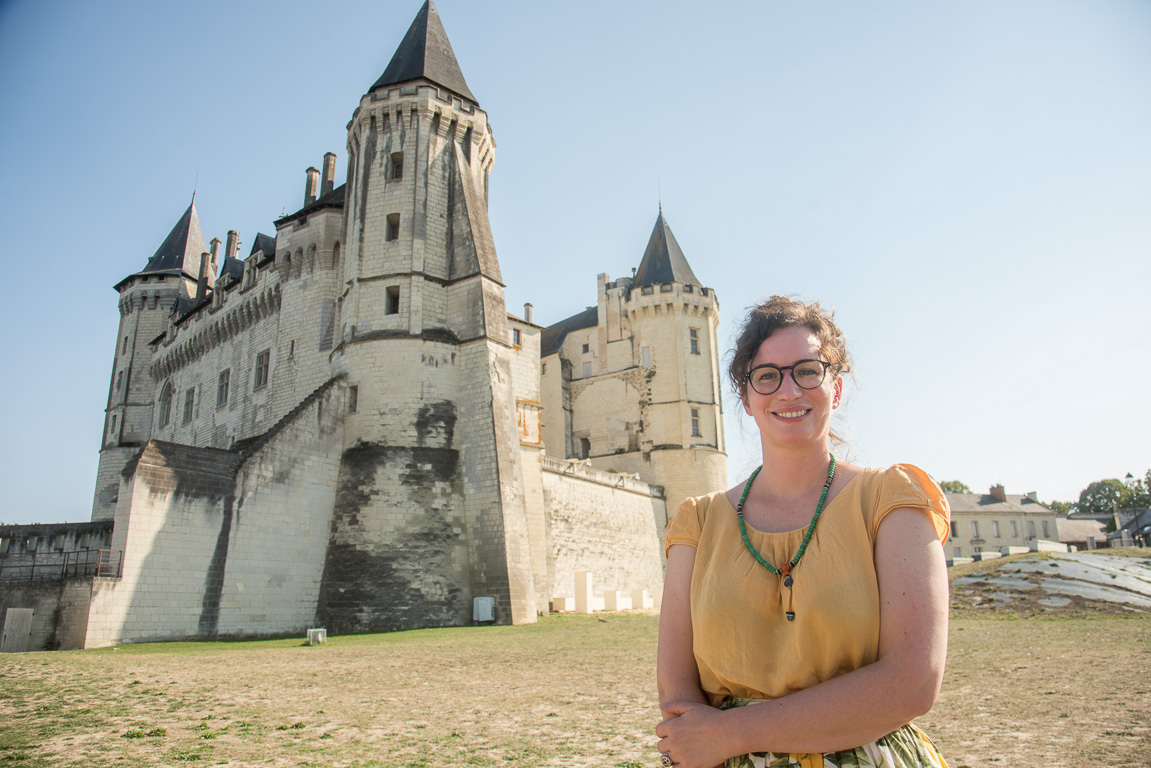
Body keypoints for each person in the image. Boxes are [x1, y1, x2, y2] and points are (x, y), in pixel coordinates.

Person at [655, 296, 951, 768]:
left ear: (835, 389)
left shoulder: (892, 501)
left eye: (808, 370)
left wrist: (731, 733)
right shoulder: (698, 522)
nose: (788, 390)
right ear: (747, 399)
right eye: (767, 376)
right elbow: (677, 689)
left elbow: (913, 680)